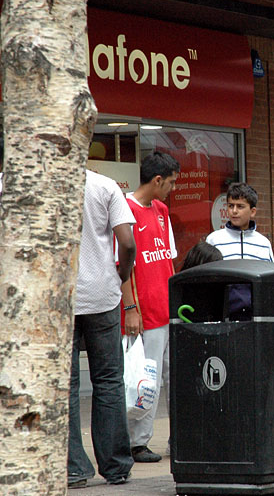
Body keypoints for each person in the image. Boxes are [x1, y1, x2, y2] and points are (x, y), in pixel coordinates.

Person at [68, 171, 137, 488]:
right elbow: (127, 242)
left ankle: (74, 468)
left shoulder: (38, 180)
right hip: (102, 294)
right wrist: (122, 275)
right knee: (109, 381)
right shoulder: (104, 185)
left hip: (57, 296)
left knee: (65, 385)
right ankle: (116, 466)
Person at [121, 151, 180, 463]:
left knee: (174, 378)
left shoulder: (161, 210)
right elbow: (123, 266)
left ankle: (178, 438)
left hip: (167, 309)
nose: (173, 188)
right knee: (147, 380)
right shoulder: (126, 210)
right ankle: (138, 442)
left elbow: (167, 257)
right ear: (157, 180)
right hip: (144, 314)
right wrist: (131, 308)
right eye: (170, 182)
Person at [206, 182, 274, 262]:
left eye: (240, 206)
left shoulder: (264, 244)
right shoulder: (213, 240)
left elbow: (270, 269)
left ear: (252, 212)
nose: (234, 211)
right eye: (231, 206)